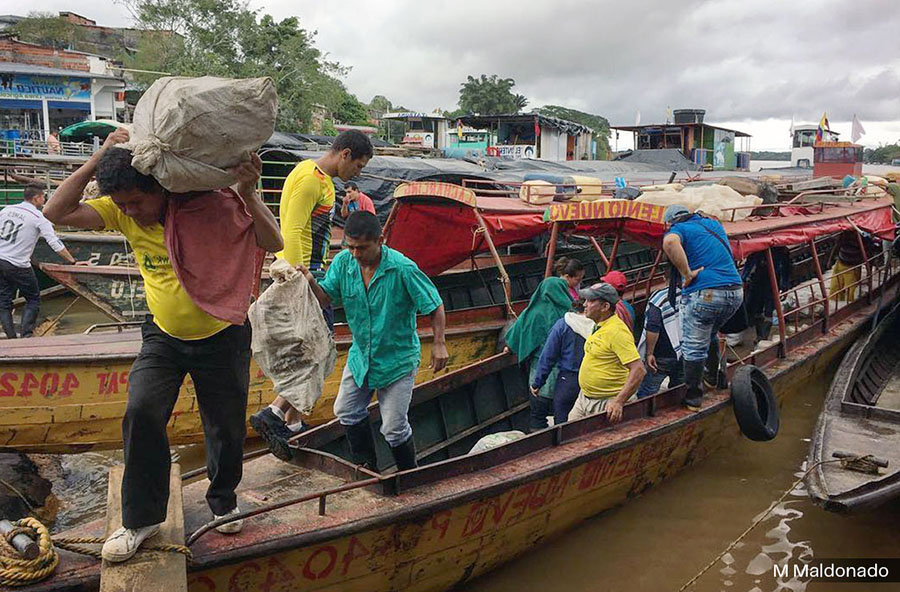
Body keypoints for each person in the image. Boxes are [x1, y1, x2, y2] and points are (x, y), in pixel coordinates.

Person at [43, 128, 283, 562]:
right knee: (141, 411)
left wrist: (248, 193)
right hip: (163, 336)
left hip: (223, 335)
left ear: (161, 189)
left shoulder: (206, 209)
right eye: (121, 205)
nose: (130, 212)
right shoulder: (122, 213)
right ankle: (141, 519)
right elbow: (55, 210)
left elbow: (273, 241)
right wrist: (100, 157)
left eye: (137, 202)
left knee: (225, 426)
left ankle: (224, 501)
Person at [251, 130, 374, 454]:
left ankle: (293, 424)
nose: (357, 173)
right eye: (358, 165)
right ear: (345, 154)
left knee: (309, 350)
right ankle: (274, 412)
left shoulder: (323, 181)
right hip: (305, 275)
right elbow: (292, 229)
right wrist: (296, 277)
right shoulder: (309, 178)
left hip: (312, 271)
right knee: (318, 351)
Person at [302, 212, 448, 471]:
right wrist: (311, 281)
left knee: (393, 427)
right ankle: (367, 468)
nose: (355, 254)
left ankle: (409, 475)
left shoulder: (402, 268)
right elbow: (325, 299)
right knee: (346, 410)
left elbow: (434, 305)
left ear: (380, 241)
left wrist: (439, 343)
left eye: (362, 248)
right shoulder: (344, 263)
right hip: (362, 356)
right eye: (350, 247)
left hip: (397, 359)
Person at [661, 205, 743, 411]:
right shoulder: (712, 224)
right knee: (710, 332)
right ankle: (713, 377)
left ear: (670, 222)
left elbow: (670, 243)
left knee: (693, 346)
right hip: (735, 292)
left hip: (706, 293)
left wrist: (687, 274)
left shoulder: (679, 229)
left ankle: (693, 398)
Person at [503, 264, 576, 429]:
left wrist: (510, 347)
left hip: (539, 374)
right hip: (566, 376)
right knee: (563, 416)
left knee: (537, 416)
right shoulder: (571, 313)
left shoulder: (533, 312)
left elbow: (517, 332)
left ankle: (537, 435)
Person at [0, 184, 76, 338]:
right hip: (18, 264)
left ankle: (11, 337)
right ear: (36, 198)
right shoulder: (38, 218)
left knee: (4, 301)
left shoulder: (6, 210)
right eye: (43, 197)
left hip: (1, 259)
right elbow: (54, 242)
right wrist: (72, 261)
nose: (44, 200)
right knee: (33, 298)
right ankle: (27, 335)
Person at [568, 283, 646, 423]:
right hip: (585, 398)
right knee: (570, 431)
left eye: (590, 301)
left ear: (605, 307)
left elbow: (638, 370)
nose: (584, 305)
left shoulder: (616, 332)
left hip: (606, 402)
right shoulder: (599, 326)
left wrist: (619, 401)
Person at [529, 305, 594, 428]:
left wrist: (537, 383)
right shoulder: (598, 325)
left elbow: (548, 356)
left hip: (568, 381)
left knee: (562, 425)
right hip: (592, 380)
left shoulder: (563, 324)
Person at [636, 286, 683, 397]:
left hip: (662, 355)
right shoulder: (689, 292)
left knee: (647, 391)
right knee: (679, 389)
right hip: (684, 351)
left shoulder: (660, 298)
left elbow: (653, 326)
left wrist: (649, 354)